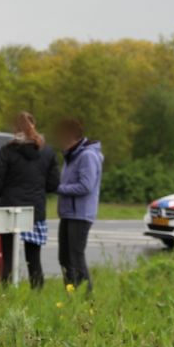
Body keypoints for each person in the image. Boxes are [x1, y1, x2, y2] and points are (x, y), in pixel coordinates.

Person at [0, 112, 60, 288]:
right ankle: (37, 295)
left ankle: (6, 294)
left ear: (15, 129)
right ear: (34, 125)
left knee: (9, 258)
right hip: (35, 211)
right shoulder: (47, 152)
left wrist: (5, 194)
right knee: (34, 259)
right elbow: (53, 184)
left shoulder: (7, 150)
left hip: (10, 210)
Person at [53, 117, 103, 294]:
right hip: (67, 213)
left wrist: (58, 188)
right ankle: (71, 294)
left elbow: (86, 185)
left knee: (75, 257)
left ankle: (85, 296)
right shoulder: (71, 156)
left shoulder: (87, 156)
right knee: (64, 258)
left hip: (80, 214)